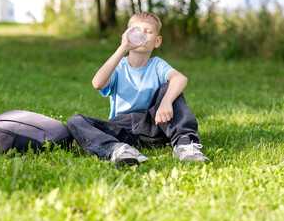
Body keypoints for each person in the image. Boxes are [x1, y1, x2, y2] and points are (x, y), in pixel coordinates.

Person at [67, 12, 210, 166]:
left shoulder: (157, 65)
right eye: (136, 30)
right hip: (122, 129)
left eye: (148, 32)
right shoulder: (118, 65)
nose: (142, 35)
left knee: (169, 87)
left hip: (154, 125)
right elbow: (97, 83)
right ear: (127, 35)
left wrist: (166, 102)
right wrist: (123, 48)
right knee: (75, 121)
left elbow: (180, 78)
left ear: (157, 41)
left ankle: (185, 144)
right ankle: (118, 149)